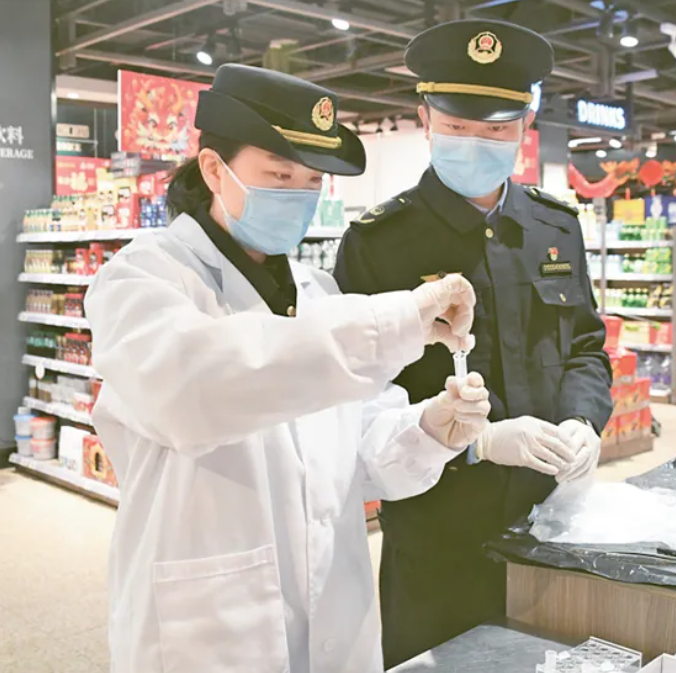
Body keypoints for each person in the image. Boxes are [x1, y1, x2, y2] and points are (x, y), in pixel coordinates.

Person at [83, 64, 491, 673]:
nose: (298, 196)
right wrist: (395, 321)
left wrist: (429, 429)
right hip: (211, 624)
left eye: (311, 181)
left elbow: (358, 450)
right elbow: (199, 390)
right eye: (279, 176)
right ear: (214, 169)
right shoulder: (141, 280)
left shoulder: (318, 291)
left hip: (334, 610)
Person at [334, 20, 614, 667]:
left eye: (495, 130)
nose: (476, 143)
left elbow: (585, 346)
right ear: (425, 119)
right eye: (458, 126)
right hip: (438, 533)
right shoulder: (378, 243)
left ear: (525, 126)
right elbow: (357, 402)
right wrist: (471, 442)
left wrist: (583, 421)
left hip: (549, 521)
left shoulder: (555, 228)